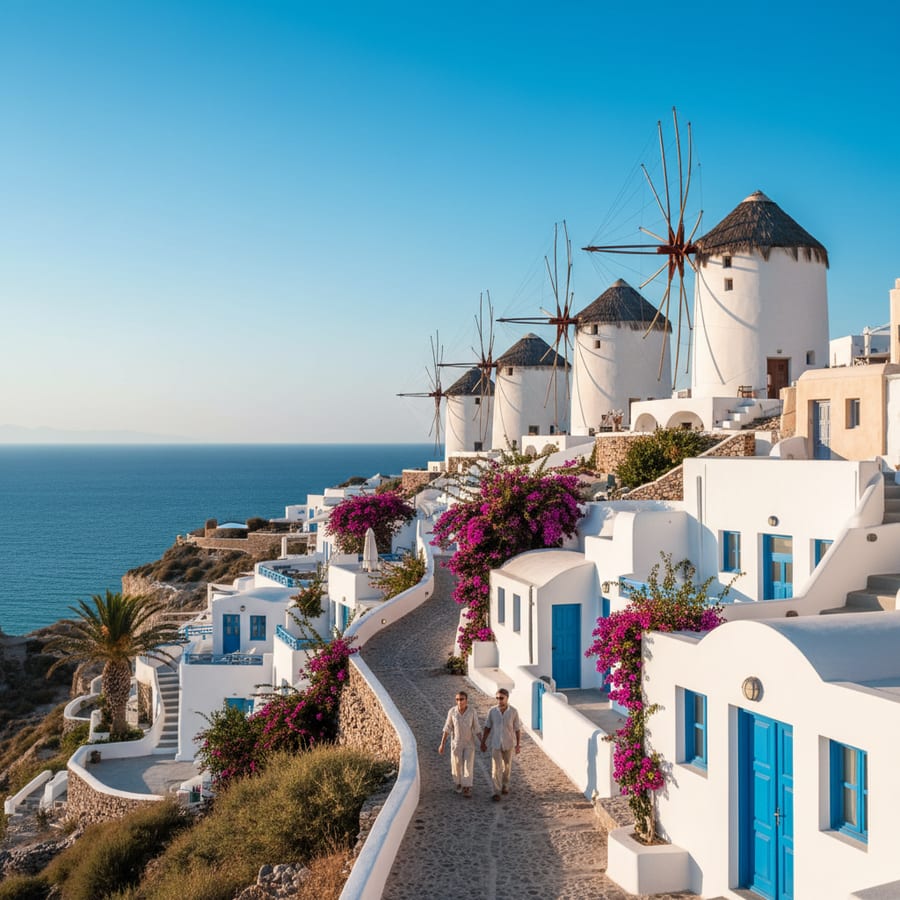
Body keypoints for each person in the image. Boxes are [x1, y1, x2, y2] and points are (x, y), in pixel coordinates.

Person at [480, 687, 521, 801]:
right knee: (495, 768)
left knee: (507, 767)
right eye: (497, 698)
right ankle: (496, 791)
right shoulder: (492, 711)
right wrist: (483, 742)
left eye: (501, 698)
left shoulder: (513, 711)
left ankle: (505, 785)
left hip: (508, 743)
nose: (499, 700)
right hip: (496, 744)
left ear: (507, 698)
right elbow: (487, 727)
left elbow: (517, 729)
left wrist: (518, 745)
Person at [438, 690, 481, 797]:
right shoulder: (452, 712)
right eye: (457, 699)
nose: (459, 701)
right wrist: (442, 744)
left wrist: (482, 742)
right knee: (456, 764)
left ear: (466, 700)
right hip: (456, 743)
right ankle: (458, 783)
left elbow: (476, 728)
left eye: (461, 699)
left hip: (469, 743)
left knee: (468, 764)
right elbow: (447, 728)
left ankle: (467, 787)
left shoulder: (472, 711)